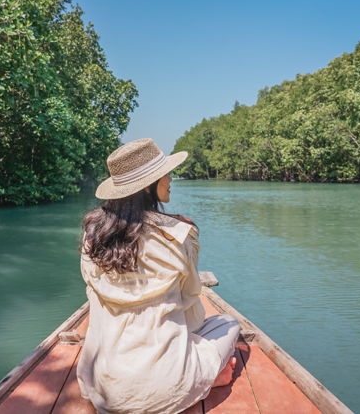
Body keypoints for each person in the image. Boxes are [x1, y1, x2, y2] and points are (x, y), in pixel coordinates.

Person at [77, 138, 241, 414]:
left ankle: (197, 372)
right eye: (165, 173)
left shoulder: (92, 232)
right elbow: (190, 299)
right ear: (147, 185)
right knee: (228, 323)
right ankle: (209, 379)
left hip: (100, 388)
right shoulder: (179, 233)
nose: (170, 178)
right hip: (163, 388)